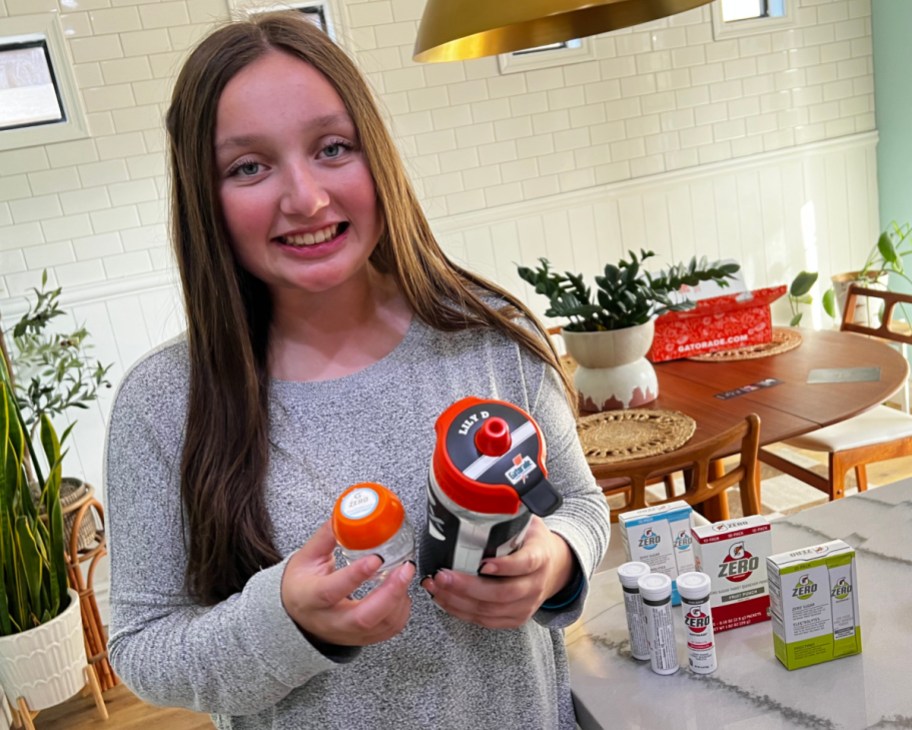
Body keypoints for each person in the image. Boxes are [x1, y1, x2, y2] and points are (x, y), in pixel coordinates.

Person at [105, 11, 610, 730]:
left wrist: (556, 560)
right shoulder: (164, 403)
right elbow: (144, 647)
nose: (306, 198)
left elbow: (580, 507)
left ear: (377, 155)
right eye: (248, 167)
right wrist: (285, 621)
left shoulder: (492, 334)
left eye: (333, 148)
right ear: (203, 197)